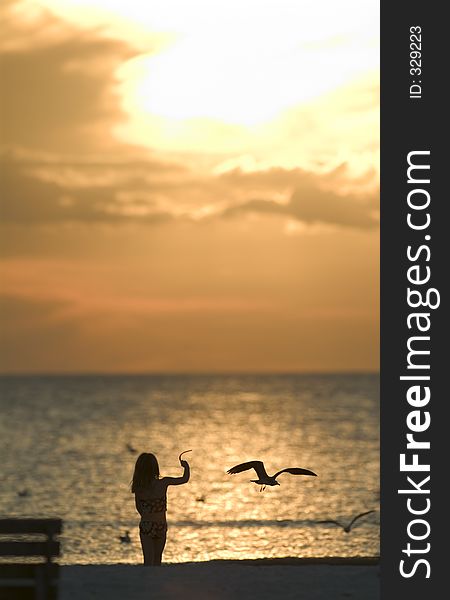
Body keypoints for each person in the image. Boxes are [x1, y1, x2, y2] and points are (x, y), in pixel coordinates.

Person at [131, 452, 190, 566]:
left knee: (148, 561)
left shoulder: (139, 487)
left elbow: (138, 508)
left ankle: (148, 582)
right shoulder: (164, 482)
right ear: (155, 468)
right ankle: (155, 582)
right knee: (157, 560)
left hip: (147, 525)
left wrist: (147, 515)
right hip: (161, 525)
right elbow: (184, 479)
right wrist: (186, 467)